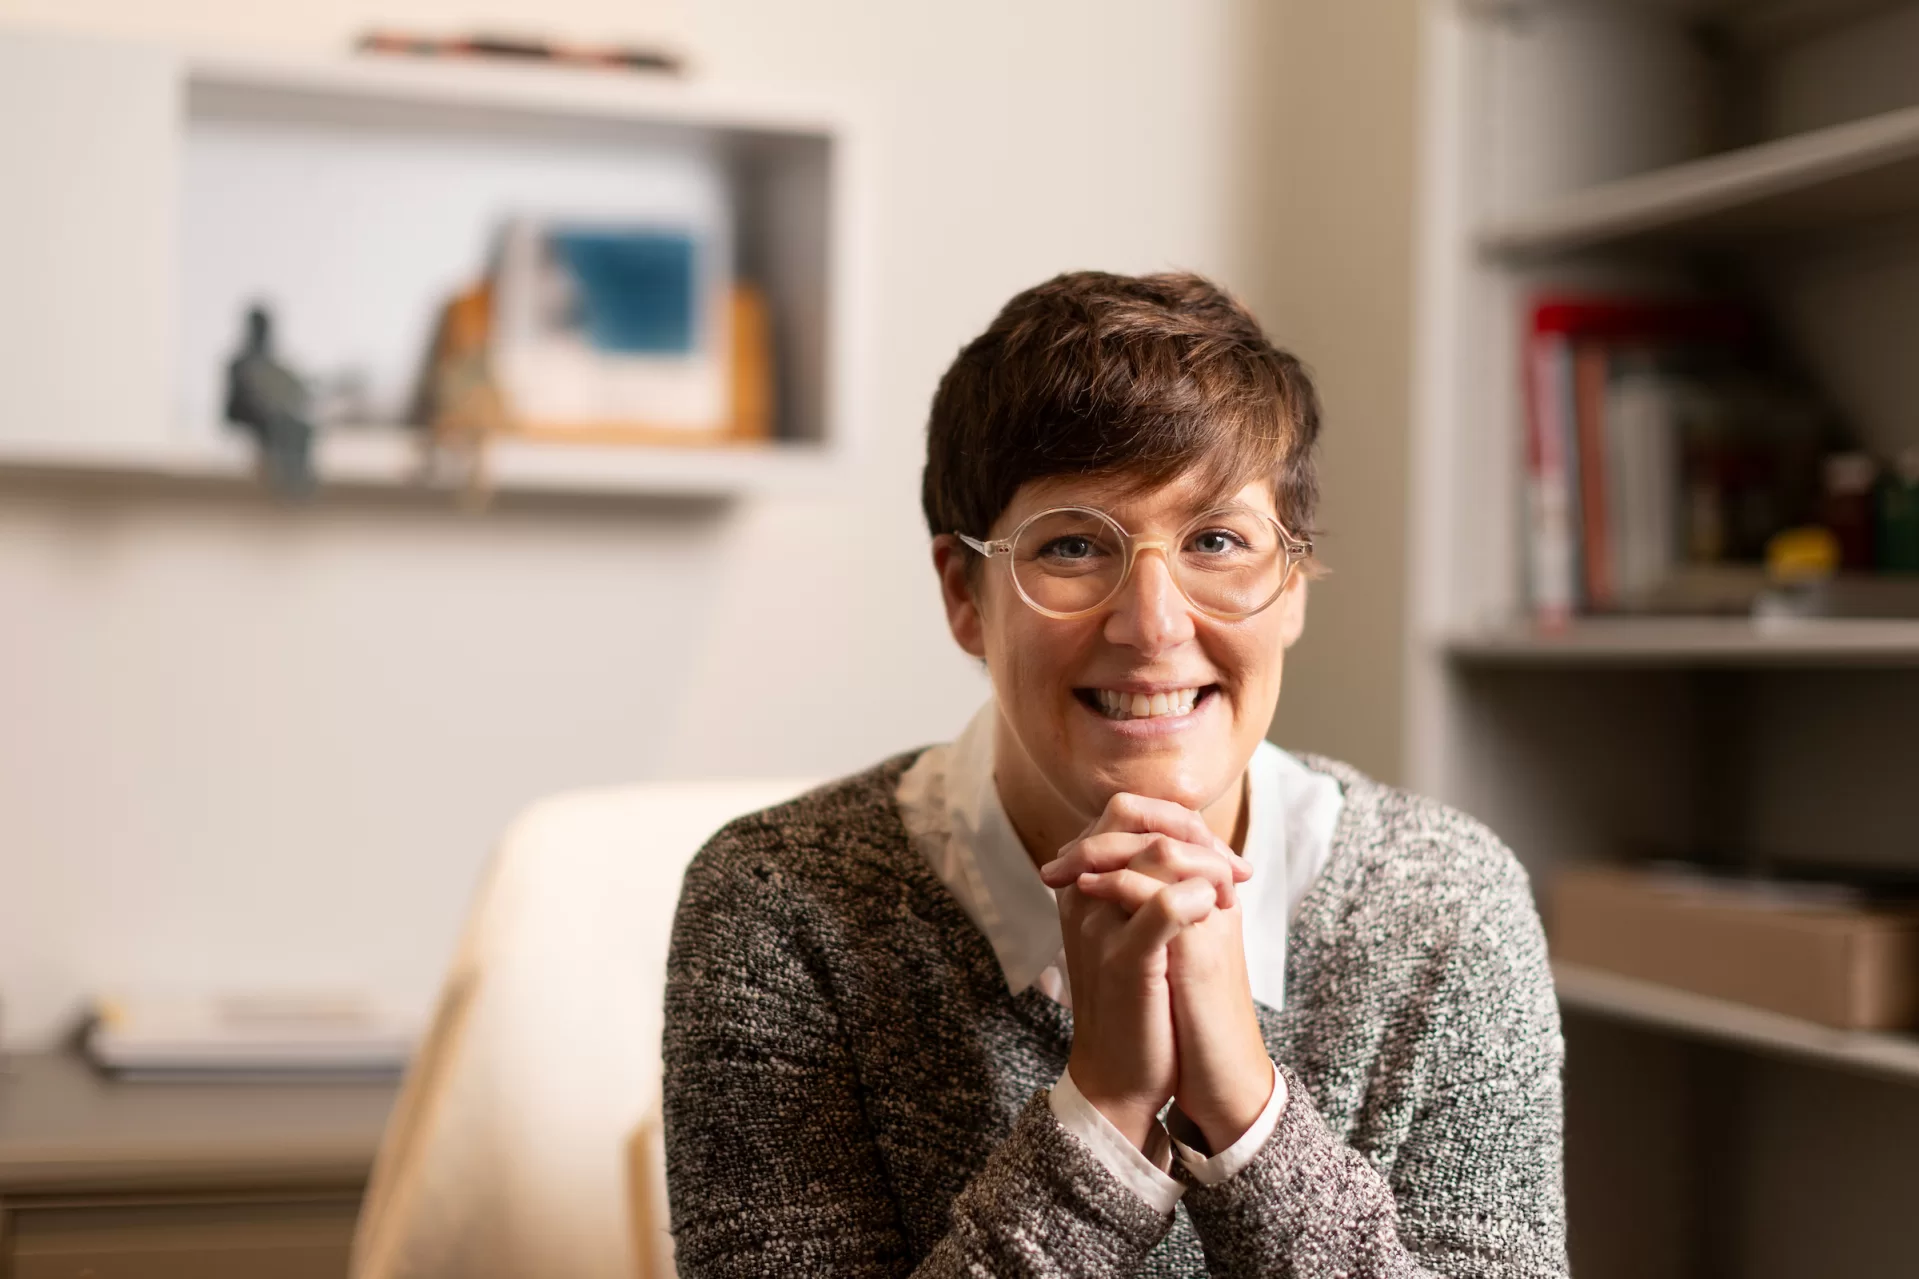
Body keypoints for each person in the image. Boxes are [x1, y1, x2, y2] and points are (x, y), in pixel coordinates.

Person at [662, 271, 1567, 1277]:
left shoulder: (1443, 900)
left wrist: (1247, 1117)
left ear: (1292, 585)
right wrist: (1100, 1116)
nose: (1152, 623)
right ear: (964, 595)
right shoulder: (779, 901)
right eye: (1071, 545)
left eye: (1216, 539)